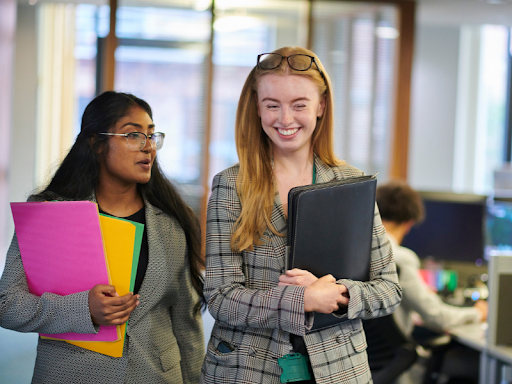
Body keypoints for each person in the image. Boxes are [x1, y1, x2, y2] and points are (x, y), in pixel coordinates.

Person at [200, 46, 402, 384]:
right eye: (272, 105)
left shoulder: (351, 184)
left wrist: (338, 294)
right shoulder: (230, 185)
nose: (285, 119)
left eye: (299, 105)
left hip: (338, 369)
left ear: (321, 106)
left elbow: (389, 290)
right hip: (248, 369)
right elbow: (221, 298)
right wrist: (302, 300)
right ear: (257, 107)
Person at [0, 91, 205, 383]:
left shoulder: (172, 221)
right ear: (97, 144)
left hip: (156, 375)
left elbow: (187, 319)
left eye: (151, 135)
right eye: (133, 135)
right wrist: (83, 309)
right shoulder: (49, 213)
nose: (148, 147)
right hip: (71, 374)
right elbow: (6, 304)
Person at [375, 180, 487, 336]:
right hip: (393, 354)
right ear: (409, 223)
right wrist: (478, 313)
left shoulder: (358, 252)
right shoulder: (401, 258)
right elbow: (437, 317)